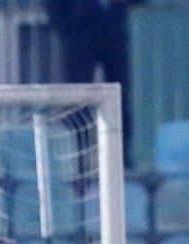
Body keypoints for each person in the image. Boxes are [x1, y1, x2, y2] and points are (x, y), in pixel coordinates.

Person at [44, 0, 147, 165]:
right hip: (78, 31)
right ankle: (79, 158)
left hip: (113, 30)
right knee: (78, 99)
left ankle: (121, 157)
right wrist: (65, 25)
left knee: (120, 96)